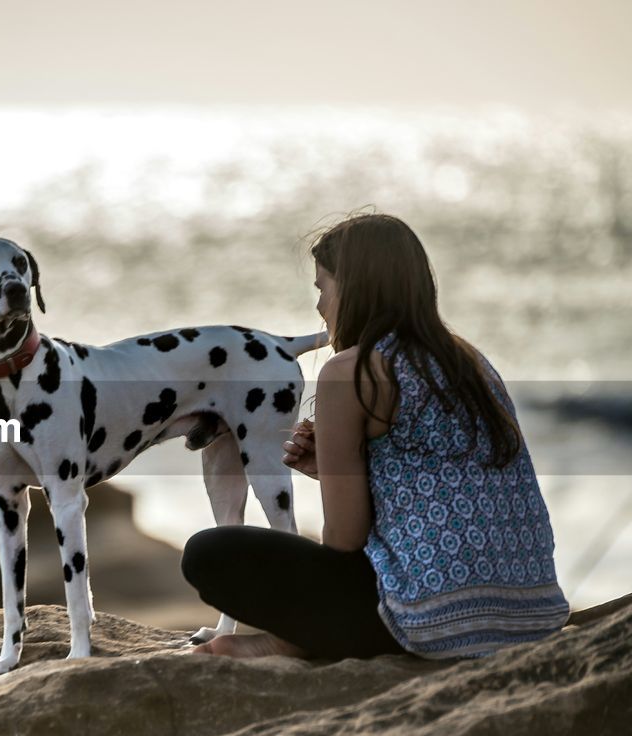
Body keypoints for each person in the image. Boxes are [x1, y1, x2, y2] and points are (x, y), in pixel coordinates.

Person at [181, 212, 570, 661]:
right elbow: (431, 488)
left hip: (428, 622)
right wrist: (333, 471)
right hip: (533, 614)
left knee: (208, 553)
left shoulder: (351, 371)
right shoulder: (474, 364)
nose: (320, 306)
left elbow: (345, 540)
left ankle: (298, 640)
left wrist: (336, 470)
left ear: (354, 287)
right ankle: (300, 637)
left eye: (322, 287)